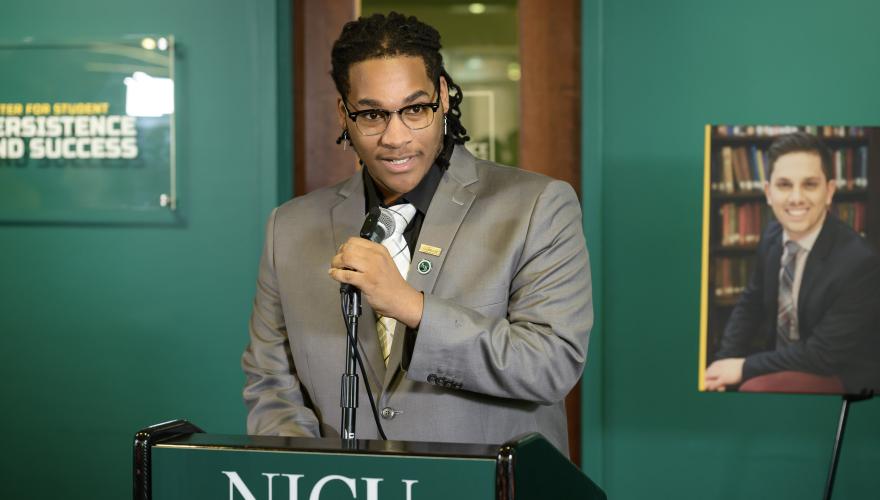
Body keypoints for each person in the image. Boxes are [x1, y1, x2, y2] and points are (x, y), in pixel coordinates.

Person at [241, 12, 592, 454]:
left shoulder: (537, 206)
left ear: (443, 97)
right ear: (344, 114)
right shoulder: (289, 227)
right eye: (371, 114)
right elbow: (271, 382)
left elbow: (551, 365)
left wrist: (412, 307)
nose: (395, 136)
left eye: (414, 109)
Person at [705, 132, 880, 394]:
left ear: (829, 191)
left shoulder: (861, 263)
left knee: (753, 388)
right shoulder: (772, 235)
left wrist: (742, 367)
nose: (796, 198)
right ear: (768, 192)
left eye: (810, 184)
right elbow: (750, 304)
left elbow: (822, 355)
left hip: (839, 372)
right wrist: (723, 361)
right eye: (784, 185)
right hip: (783, 358)